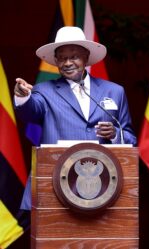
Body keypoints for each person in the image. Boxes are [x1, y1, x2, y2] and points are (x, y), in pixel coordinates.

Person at [14, 26, 137, 212]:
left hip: (103, 189)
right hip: (54, 188)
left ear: (86, 57)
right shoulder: (44, 91)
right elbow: (30, 112)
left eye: (74, 57)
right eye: (62, 58)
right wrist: (22, 97)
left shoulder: (114, 91)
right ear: (55, 61)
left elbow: (130, 138)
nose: (67, 63)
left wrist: (114, 134)